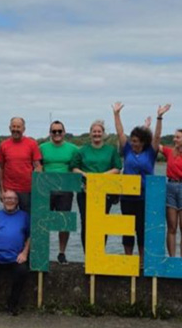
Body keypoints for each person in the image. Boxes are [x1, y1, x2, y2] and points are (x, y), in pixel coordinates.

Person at [152, 106, 182, 257]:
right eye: (174, 137)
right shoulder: (169, 152)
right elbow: (155, 141)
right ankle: (172, 258)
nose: (174, 139)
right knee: (171, 227)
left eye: (177, 137)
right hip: (170, 187)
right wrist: (159, 118)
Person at [112, 103, 156, 265]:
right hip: (127, 197)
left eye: (137, 141)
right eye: (133, 140)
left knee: (142, 229)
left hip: (144, 197)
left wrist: (159, 118)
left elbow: (157, 137)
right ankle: (128, 259)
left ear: (143, 142)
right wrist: (116, 114)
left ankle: (143, 261)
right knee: (127, 229)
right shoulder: (128, 150)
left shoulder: (150, 154)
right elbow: (120, 132)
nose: (133, 143)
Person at [70, 119, 121, 251]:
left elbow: (117, 168)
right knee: (86, 223)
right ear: (90, 133)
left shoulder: (111, 150)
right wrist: (86, 175)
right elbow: (74, 168)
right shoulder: (82, 151)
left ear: (103, 133)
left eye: (99, 131)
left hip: (106, 192)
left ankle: (98, 254)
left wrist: (101, 177)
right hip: (85, 191)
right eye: (94, 131)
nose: (97, 134)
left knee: (102, 224)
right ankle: (88, 256)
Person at [0, 190, 31, 317]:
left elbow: (31, 236)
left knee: (22, 272)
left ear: (17, 201)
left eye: (13, 198)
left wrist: (24, 253)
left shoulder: (25, 216)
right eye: (7, 198)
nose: (10, 201)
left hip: (16, 258)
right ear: (2, 200)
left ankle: (12, 304)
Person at [38, 120, 77, 263]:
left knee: (64, 223)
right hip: (45, 191)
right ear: (50, 133)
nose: (57, 134)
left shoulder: (73, 149)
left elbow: (78, 166)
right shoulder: (42, 147)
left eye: (59, 131)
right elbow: (37, 166)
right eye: (54, 131)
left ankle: (62, 252)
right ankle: (41, 252)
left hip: (65, 191)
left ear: (64, 132)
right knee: (42, 222)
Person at [0, 117, 42, 213]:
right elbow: (0, 168)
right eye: (13, 126)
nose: (16, 129)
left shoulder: (32, 144)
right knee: (9, 218)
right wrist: (1, 190)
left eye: (18, 127)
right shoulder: (3, 145)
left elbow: (38, 166)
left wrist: (36, 188)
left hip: (27, 190)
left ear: (23, 129)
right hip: (9, 189)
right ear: (9, 128)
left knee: (27, 218)